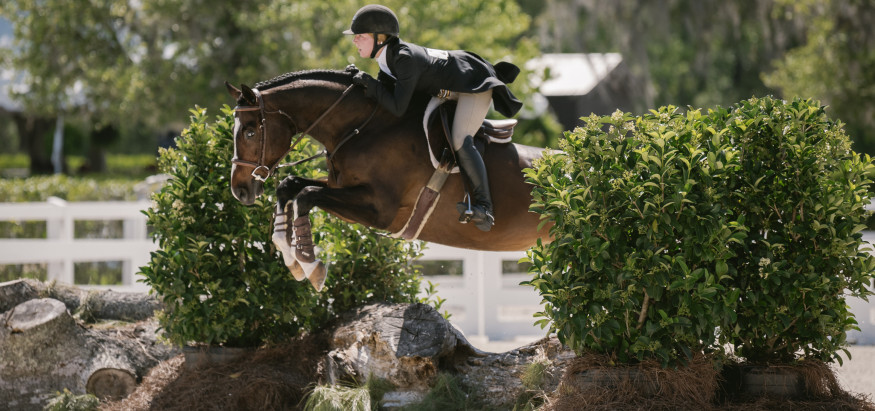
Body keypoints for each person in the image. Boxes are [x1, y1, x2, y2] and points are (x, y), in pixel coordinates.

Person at [343, 4, 522, 232]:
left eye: (360, 36)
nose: (355, 40)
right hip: (449, 88)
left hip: (473, 85)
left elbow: (397, 107)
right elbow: (384, 98)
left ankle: (484, 208)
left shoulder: (404, 59)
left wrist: (368, 82)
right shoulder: (387, 61)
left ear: (380, 38)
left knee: (460, 139)